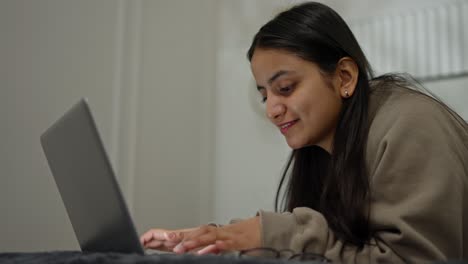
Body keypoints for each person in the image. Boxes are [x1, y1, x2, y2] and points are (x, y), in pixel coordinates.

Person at [140, 2, 468, 263]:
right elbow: (344, 248)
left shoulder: (411, 125)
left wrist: (273, 235)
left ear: (344, 77)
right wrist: (220, 238)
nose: (271, 109)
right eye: (265, 94)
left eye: (285, 87)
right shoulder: (325, 149)